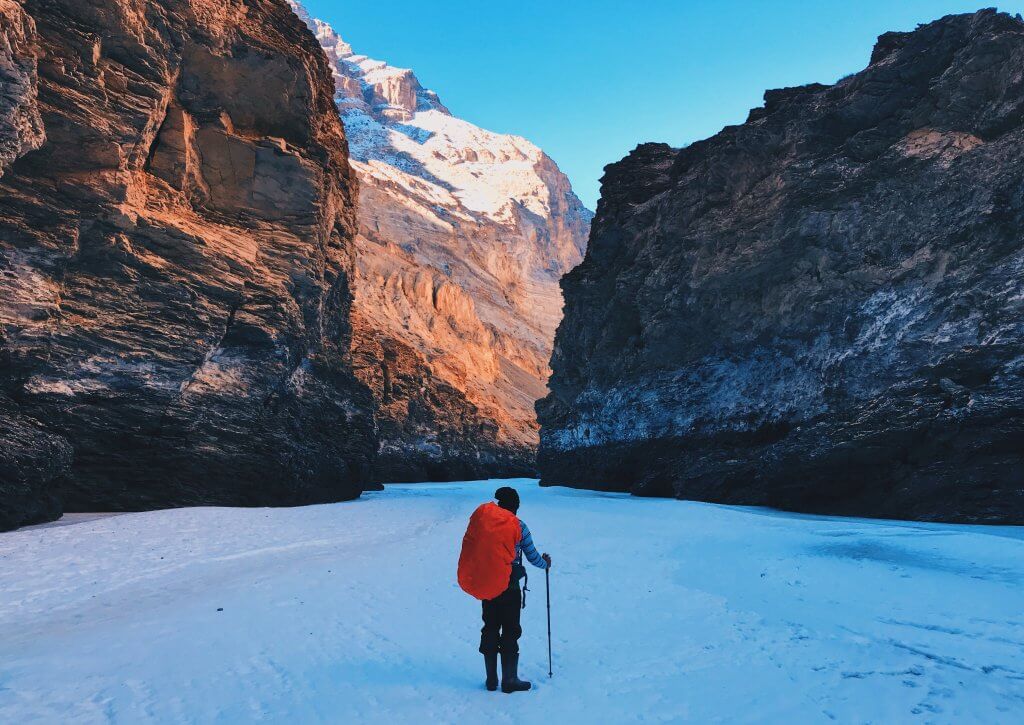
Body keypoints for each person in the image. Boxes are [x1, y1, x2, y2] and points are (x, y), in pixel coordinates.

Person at [480, 486, 551, 694]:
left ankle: (491, 679)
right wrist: (545, 564)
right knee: (511, 630)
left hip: (488, 585)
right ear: (516, 506)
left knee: (490, 627)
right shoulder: (520, 526)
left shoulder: (485, 524)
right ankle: (509, 680)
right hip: (510, 587)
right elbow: (532, 556)